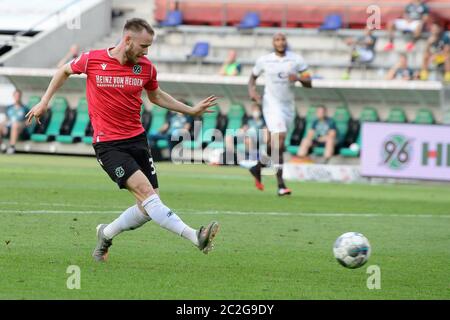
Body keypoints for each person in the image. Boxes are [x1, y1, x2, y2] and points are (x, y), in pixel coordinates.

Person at [25, 18, 220, 262]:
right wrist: (44, 102)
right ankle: (196, 237)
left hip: (137, 140)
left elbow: (156, 95)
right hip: (109, 145)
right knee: (148, 195)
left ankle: (105, 234)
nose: (146, 52)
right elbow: (64, 70)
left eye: (149, 47)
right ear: (127, 40)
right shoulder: (92, 59)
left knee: (148, 207)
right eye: (143, 46)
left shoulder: (146, 67)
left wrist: (190, 111)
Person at [248, 32, 312, 196]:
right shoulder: (264, 60)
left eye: (283, 39)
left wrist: (297, 77)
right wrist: (253, 92)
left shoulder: (296, 60)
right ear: (273, 42)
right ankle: (281, 185)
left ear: (286, 42)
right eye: (277, 39)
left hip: (288, 106)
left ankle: (258, 167)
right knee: (280, 139)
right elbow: (252, 77)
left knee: (275, 143)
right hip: (271, 104)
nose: (280, 42)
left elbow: (309, 82)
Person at [0, 89, 28, 154]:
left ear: (20, 97)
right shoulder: (9, 107)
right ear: (13, 96)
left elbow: (28, 121)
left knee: (15, 125)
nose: (17, 97)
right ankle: (2, 145)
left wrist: (22, 124)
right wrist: (2, 124)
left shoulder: (25, 108)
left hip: (20, 129)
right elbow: (6, 119)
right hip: (9, 128)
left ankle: (12, 147)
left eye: (18, 96)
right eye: (16, 96)